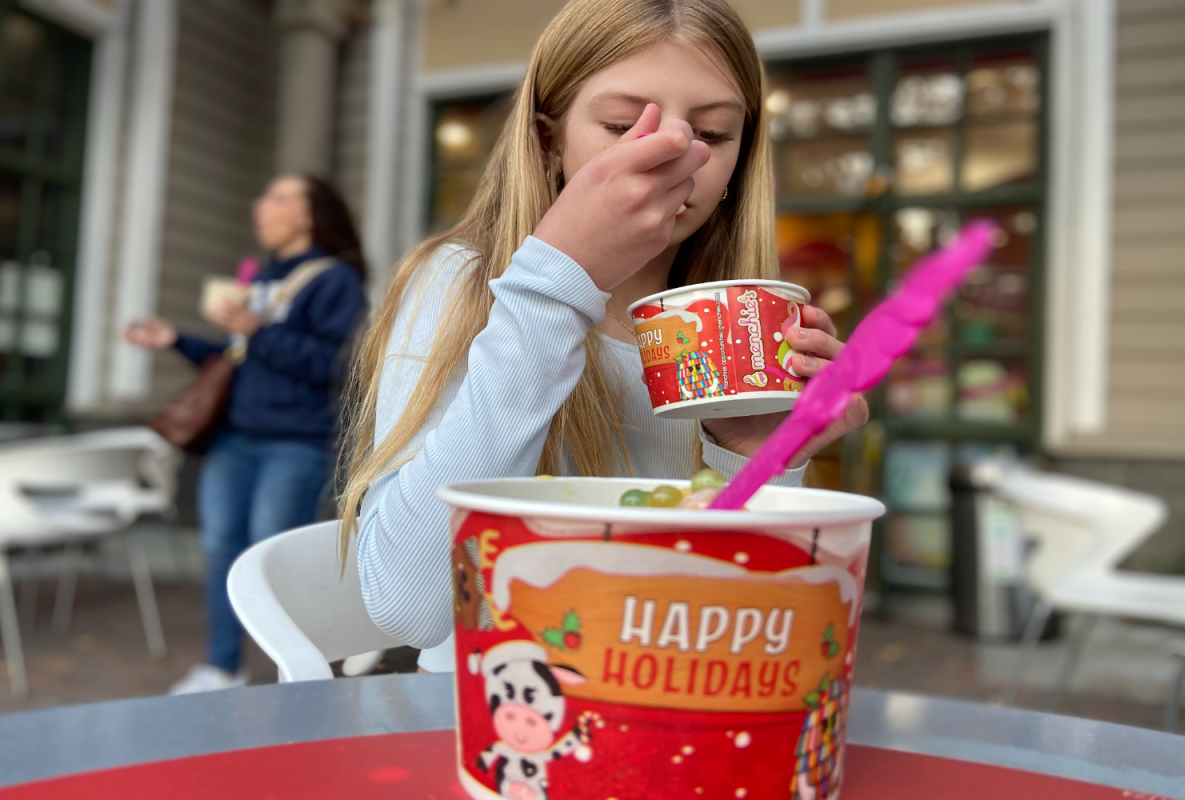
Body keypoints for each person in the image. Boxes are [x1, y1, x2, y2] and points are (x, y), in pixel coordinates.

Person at [338, 0, 869, 674]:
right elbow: (411, 605)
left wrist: (758, 456)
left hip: (669, 710)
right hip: (500, 717)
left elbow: (742, 613)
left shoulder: (723, 328)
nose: (673, 152)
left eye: (713, 132)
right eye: (623, 124)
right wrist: (557, 286)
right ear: (548, 137)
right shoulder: (463, 282)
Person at [126, 174, 367, 693]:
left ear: (308, 215)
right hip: (233, 439)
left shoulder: (334, 281)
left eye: (278, 197)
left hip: (294, 443)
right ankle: (222, 667)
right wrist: (177, 340)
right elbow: (237, 360)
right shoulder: (256, 276)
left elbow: (338, 365)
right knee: (221, 551)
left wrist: (262, 333)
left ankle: (299, 674)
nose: (261, 205)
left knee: (273, 558)